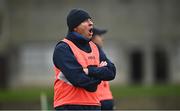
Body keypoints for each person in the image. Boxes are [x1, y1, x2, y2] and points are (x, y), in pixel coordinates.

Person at [53, 9, 116, 110]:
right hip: (69, 105)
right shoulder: (63, 48)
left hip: (94, 104)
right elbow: (78, 79)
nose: (91, 23)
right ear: (75, 27)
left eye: (90, 20)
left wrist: (88, 71)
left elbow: (111, 72)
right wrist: (99, 75)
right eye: (85, 21)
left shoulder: (95, 47)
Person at [92, 28, 114, 110]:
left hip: (106, 99)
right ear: (93, 37)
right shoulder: (92, 52)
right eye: (100, 36)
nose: (102, 38)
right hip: (98, 100)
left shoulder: (100, 52)